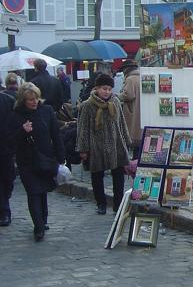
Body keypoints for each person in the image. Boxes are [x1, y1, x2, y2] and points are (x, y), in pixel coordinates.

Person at [7, 83, 65, 240]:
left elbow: (56, 135)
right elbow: (10, 141)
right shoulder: (15, 116)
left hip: (46, 158)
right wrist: (22, 131)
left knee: (42, 191)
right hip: (26, 161)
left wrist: (61, 157)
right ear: (22, 100)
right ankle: (38, 227)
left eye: (36, 98)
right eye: (30, 100)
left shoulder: (46, 111)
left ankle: (43, 220)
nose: (34, 102)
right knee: (33, 192)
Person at [76, 73, 131, 215]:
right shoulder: (88, 105)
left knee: (118, 176)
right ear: (97, 89)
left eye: (109, 89)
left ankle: (117, 205)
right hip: (97, 146)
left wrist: (126, 140)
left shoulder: (116, 102)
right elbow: (83, 128)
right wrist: (83, 149)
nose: (106, 92)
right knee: (97, 176)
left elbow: (121, 123)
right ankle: (101, 203)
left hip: (115, 144)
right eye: (104, 89)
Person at [118, 60, 142, 157]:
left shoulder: (130, 79)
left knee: (130, 135)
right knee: (139, 136)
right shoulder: (140, 76)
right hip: (140, 109)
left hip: (132, 110)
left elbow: (128, 95)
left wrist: (117, 96)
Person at [0, 89, 16, 226]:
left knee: (7, 179)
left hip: (5, 146)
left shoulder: (7, 100)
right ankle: (4, 211)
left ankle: (6, 199)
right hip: (6, 147)